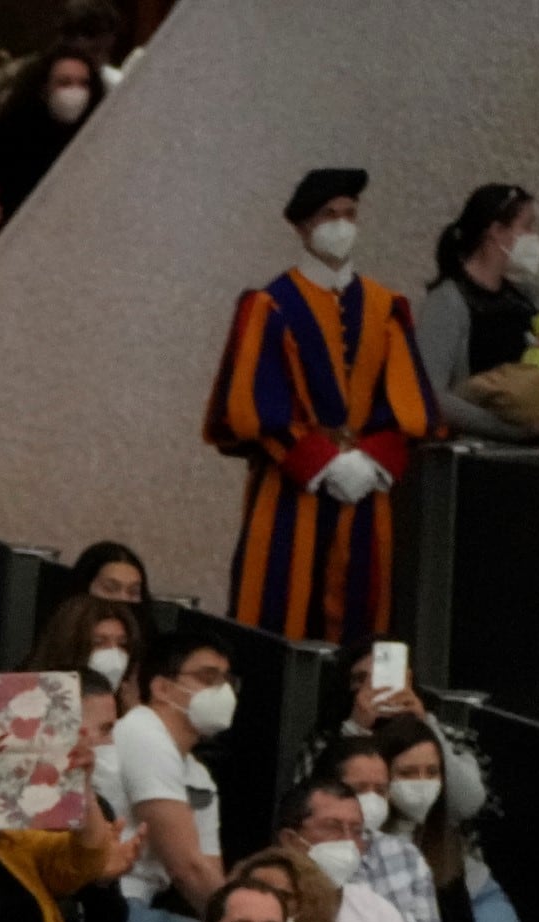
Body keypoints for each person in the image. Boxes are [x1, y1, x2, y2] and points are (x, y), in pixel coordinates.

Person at [206, 172, 436, 643]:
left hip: (367, 488)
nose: (341, 225)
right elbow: (252, 408)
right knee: (275, 612)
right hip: (291, 486)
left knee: (363, 620)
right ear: (303, 226)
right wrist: (323, 463)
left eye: (350, 214)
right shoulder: (270, 305)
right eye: (329, 215)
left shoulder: (384, 304)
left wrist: (372, 460)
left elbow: (408, 402)